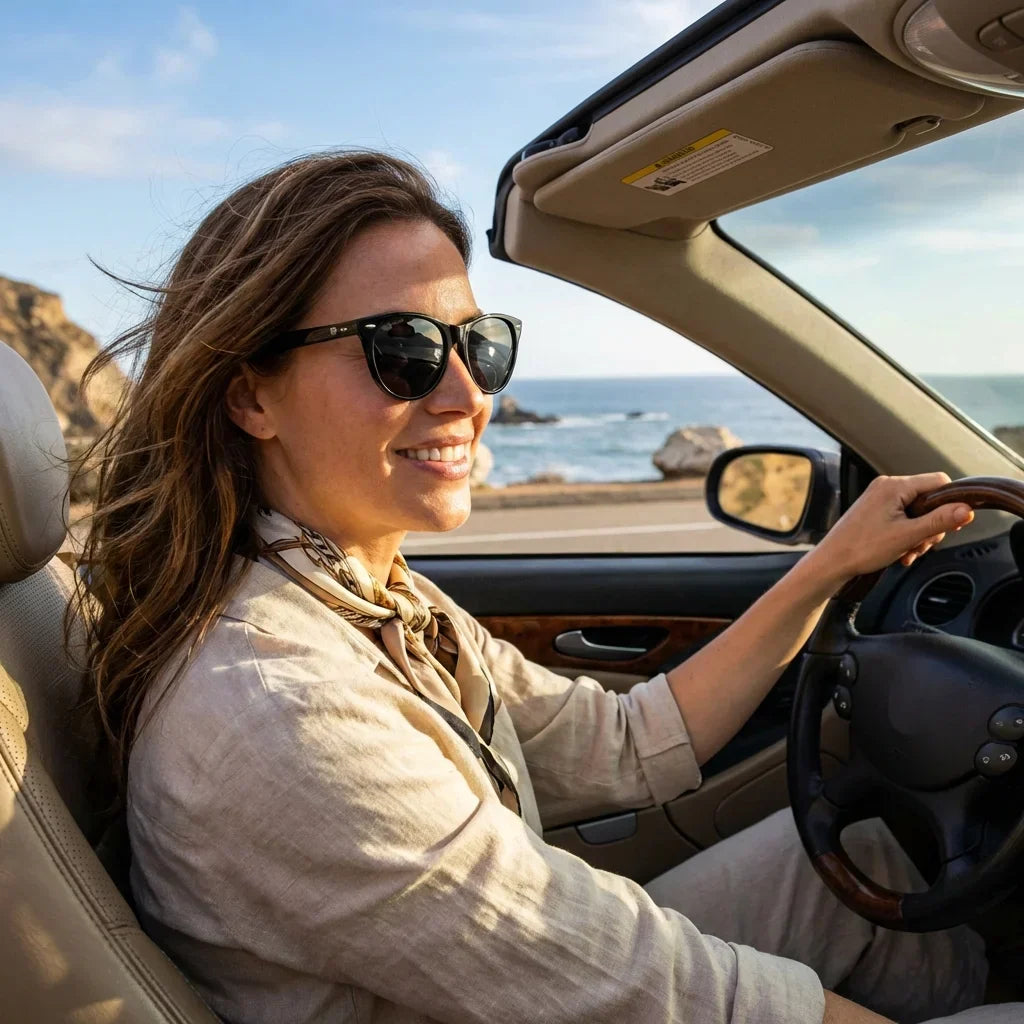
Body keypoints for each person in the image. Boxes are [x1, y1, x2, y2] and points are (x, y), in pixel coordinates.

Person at [73, 150, 1019, 1024]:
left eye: (477, 345)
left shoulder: (364, 598)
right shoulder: (282, 712)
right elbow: (665, 992)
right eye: (401, 349)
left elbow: (622, 742)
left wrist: (829, 567)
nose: (466, 395)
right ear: (251, 397)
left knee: (859, 862)